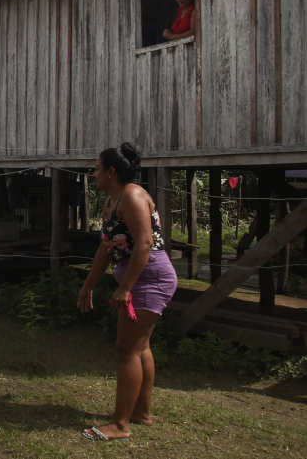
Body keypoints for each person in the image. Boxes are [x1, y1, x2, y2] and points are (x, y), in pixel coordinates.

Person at [77, 142, 177, 442]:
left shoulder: (132, 195)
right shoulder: (112, 202)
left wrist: (125, 288)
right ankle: (141, 413)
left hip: (150, 279)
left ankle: (120, 425)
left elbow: (145, 244)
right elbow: (106, 249)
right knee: (139, 346)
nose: (93, 174)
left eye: (96, 169)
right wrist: (88, 285)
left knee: (127, 349)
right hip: (141, 279)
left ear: (111, 171)